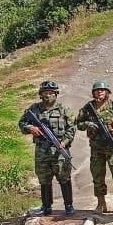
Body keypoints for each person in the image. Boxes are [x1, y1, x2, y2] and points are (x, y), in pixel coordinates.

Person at [19, 80, 76, 216]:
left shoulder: (64, 110)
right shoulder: (34, 109)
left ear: (56, 94)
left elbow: (72, 128)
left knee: (64, 177)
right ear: (40, 95)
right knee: (44, 179)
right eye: (45, 93)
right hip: (42, 150)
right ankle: (46, 206)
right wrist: (30, 128)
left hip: (59, 151)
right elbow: (22, 123)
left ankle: (68, 206)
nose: (48, 96)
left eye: (51, 93)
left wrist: (65, 142)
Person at [75, 80, 113, 215]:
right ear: (93, 93)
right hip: (96, 148)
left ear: (107, 92)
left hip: (112, 148)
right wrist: (88, 124)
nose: (99, 92)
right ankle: (101, 203)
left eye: (102, 90)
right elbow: (79, 124)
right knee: (97, 176)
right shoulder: (88, 108)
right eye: (97, 90)